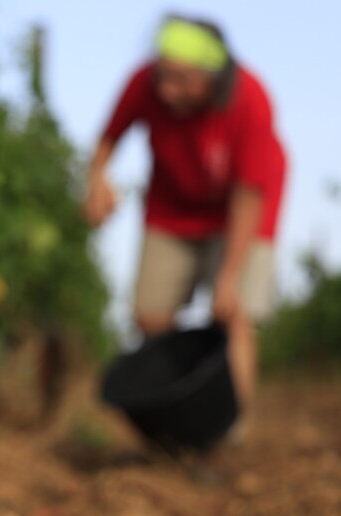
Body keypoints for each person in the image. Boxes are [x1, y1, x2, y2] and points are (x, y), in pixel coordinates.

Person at [83, 16, 286, 416]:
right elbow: (108, 137)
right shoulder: (143, 84)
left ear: (213, 77)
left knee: (235, 316)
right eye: (162, 75)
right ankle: (171, 420)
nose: (166, 88)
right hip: (171, 210)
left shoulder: (250, 99)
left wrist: (228, 278)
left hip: (242, 213)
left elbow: (249, 195)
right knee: (150, 317)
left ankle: (227, 428)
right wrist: (97, 181)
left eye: (181, 79)